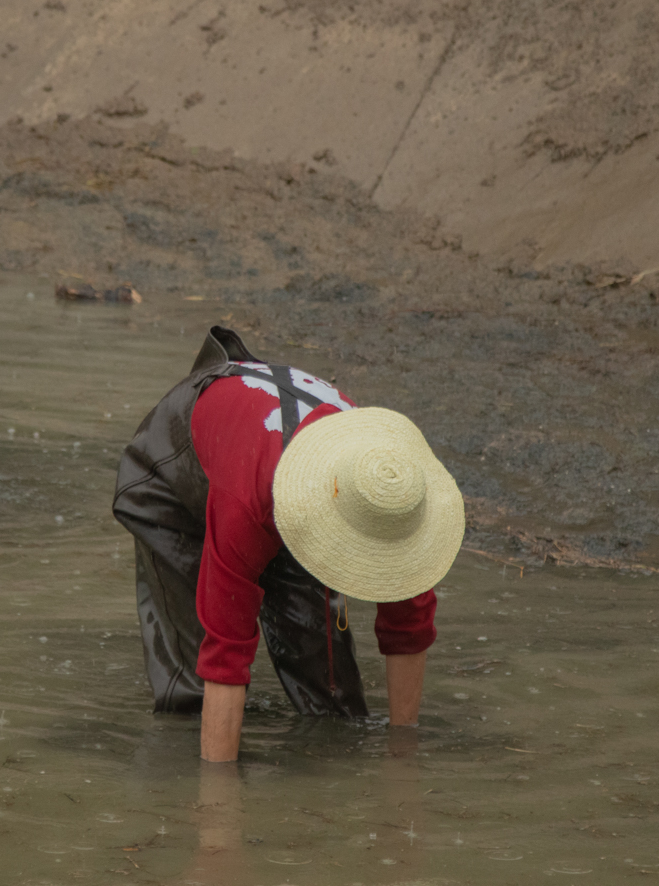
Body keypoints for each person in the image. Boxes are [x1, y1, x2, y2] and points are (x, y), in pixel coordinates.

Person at [113, 326, 464, 761]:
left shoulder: (392, 497)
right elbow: (225, 654)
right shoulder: (248, 506)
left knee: (334, 702)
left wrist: (403, 753)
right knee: (192, 693)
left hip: (282, 457)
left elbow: (408, 626)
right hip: (172, 470)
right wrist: (219, 807)